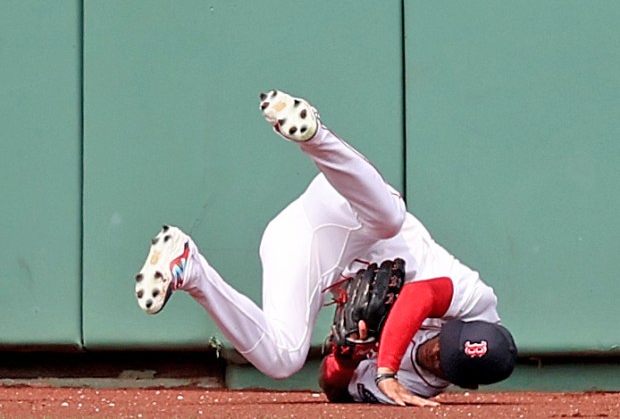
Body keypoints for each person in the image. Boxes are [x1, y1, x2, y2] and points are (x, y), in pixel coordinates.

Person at [135, 89, 517, 406]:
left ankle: (189, 268)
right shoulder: (478, 303)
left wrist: (348, 357)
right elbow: (420, 295)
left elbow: (333, 388)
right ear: (465, 327)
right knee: (390, 218)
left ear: (462, 380)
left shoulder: (418, 387)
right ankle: (314, 136)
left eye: (446, 360)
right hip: (350, 214)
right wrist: (385, 368)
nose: (435, 352)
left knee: (283, 360)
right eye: (443, 342)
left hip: (307, 248)